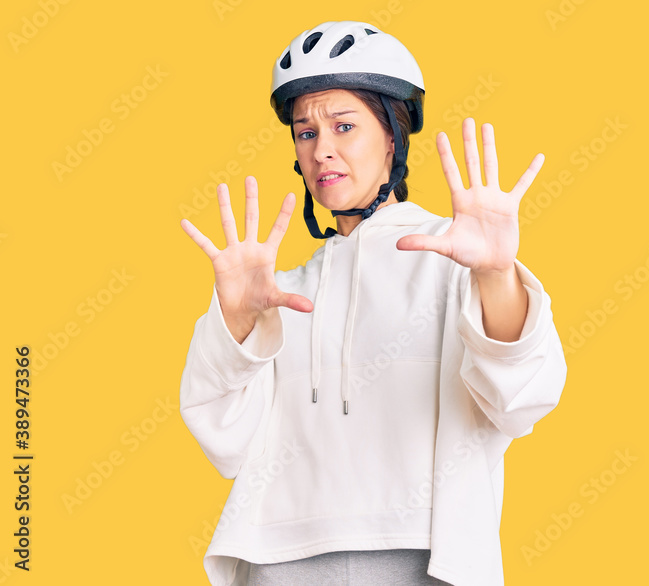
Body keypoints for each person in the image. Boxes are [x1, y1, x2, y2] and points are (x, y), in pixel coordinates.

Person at [178, 20, 567, 586]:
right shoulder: (281, 291)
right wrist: (237, 320)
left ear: (391, 135)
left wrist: (496, 274)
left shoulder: (457, 258)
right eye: (305, 133)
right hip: (277, 559)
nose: (322, 151)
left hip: (423, 557)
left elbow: (522, 398)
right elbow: (224, 439)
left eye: (343, 125)